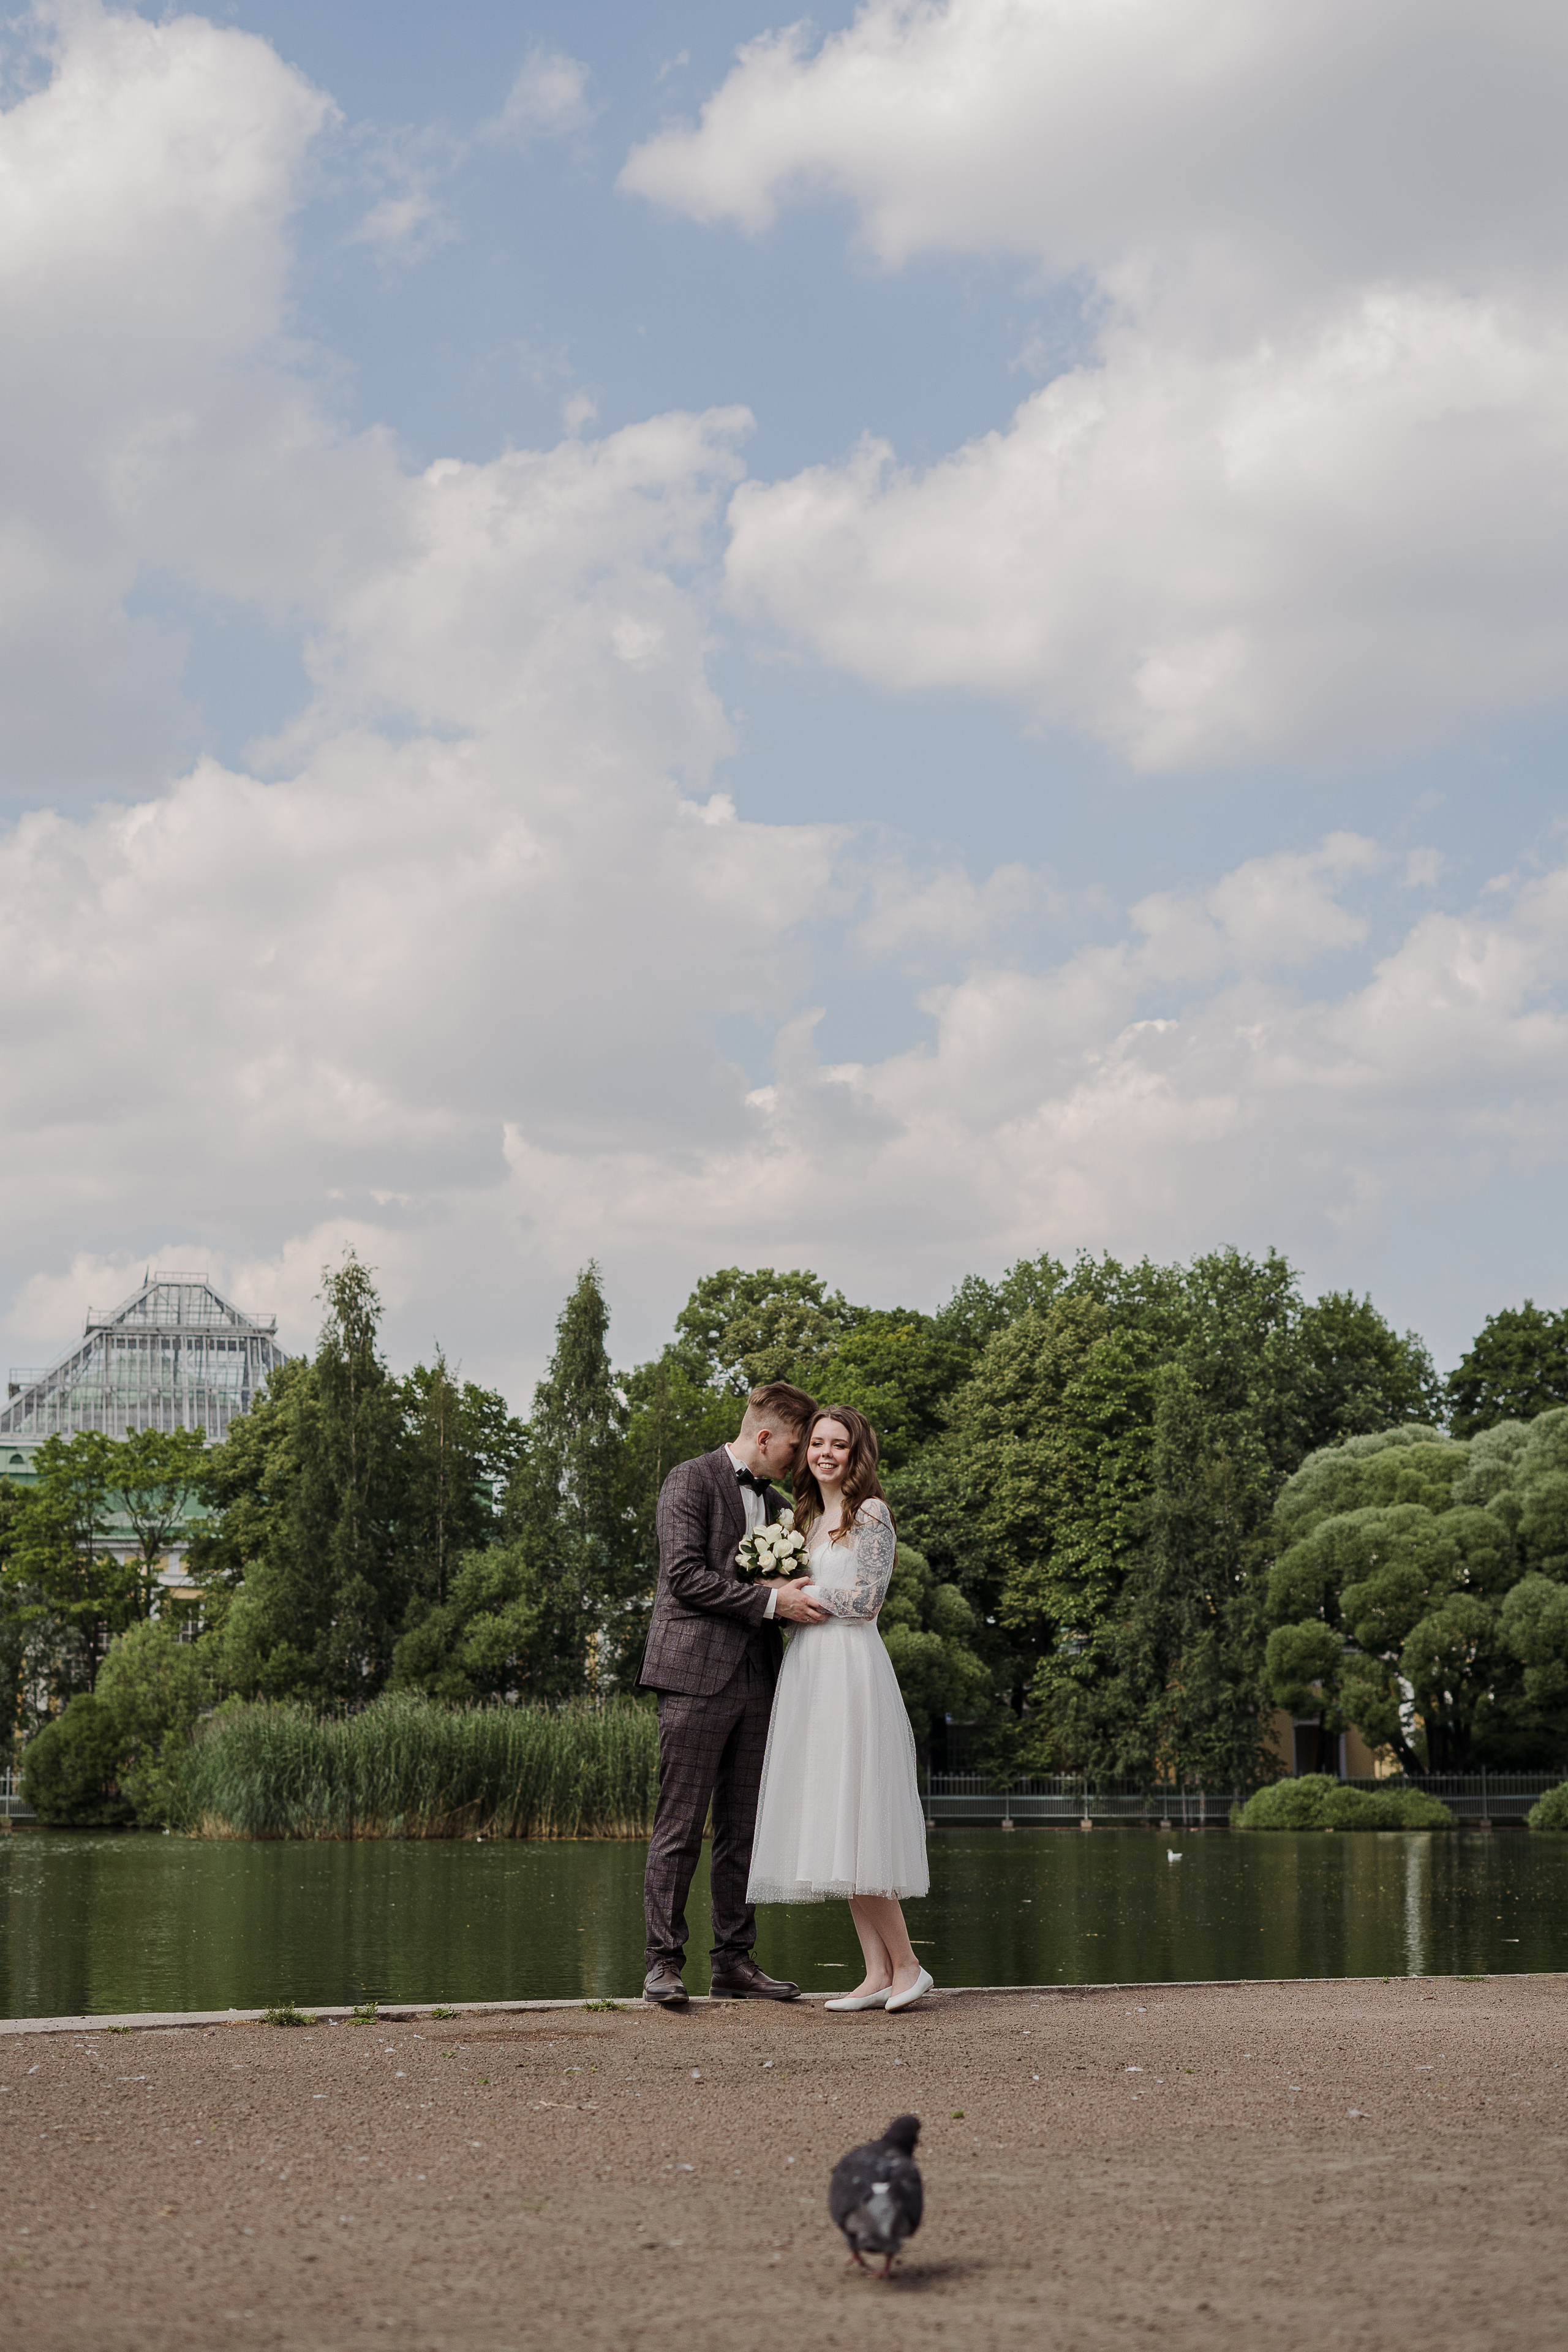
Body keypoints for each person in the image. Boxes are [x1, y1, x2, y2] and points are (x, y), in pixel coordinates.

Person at [639, 1379, 828, 2007]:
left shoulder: (778, 1505)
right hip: (692, 1676)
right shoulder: (688, 1480)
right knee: (679, 1826)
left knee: (744, 1829)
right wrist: (774, 1600)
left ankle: (734, 1962)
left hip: (758, 1678)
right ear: (766, 1435)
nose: (798, 1460)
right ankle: (664, 1964)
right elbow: (684, 1577)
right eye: (796, 1446)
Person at [746, 1405, 933, 2011]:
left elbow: (868, 1600)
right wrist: (775, 1593)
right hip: (811, 1670)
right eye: (818, 1443)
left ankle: (908, 1966)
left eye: (839, 1445)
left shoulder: (869, 1513)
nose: (826, 1453)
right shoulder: (803, 1517)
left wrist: (801, 1593)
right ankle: (876, 1972)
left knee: (858, 1819)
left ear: (856, 1456)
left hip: (852, 1669)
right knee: (834, 1818)